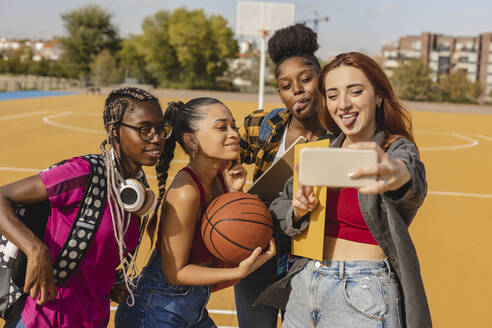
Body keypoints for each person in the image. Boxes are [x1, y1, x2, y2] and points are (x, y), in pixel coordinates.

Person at [267, 52, 432, 327]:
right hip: (306, 284)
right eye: (332, 95)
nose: (343, 104)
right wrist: (296, 210)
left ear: (378, 95)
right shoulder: (318, 151)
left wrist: (395, 173)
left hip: (364, 292)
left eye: (355, 92)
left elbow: (411, 176)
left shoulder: (394, 149)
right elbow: (279, 207)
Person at [0, 87, 172, 327]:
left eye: (160, 128)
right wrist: (35, 249)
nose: (157, 137)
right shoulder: (83, 173)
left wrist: (111, 279)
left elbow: (96, 251)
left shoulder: (136, 192)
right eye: (145, 129)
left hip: (93, 320)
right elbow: (2, 197)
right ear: (114, 130)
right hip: (44, 319)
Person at [114, 97, 276, 328]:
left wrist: (233, 195)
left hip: (191, 305)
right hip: (156, 310)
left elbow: (223, 237)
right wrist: (239, 272)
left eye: (233, 126)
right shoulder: (186, 192)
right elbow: (175, 273)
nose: (234, 134)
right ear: (192, 140)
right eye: (222, 127)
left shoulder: (224, 175)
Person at [235, 23, 327, 328]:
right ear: (280, 93)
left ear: (321, 78)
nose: (297, 90)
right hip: (257, 246)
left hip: (306, 256)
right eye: (286, 86)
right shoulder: (263, 125)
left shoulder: (339, 136)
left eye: (305, 79)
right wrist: (231, 187)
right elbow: (220, 156)